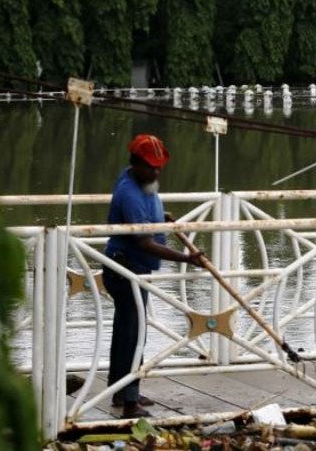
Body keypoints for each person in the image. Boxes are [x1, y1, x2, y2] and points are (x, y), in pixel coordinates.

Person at [102, 134, 203, 418]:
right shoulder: (129, 193)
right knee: (134, 334)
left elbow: (147, 209)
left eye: (160, 167)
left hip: (134, 269)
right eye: (151, 167)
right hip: (125, 270)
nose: (156, 172)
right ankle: (129, 403)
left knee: (127, 332)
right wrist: (187, 258)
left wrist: (162, 215)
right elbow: (145, 243)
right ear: (135, 164)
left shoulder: (142, 182)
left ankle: (121, 390)